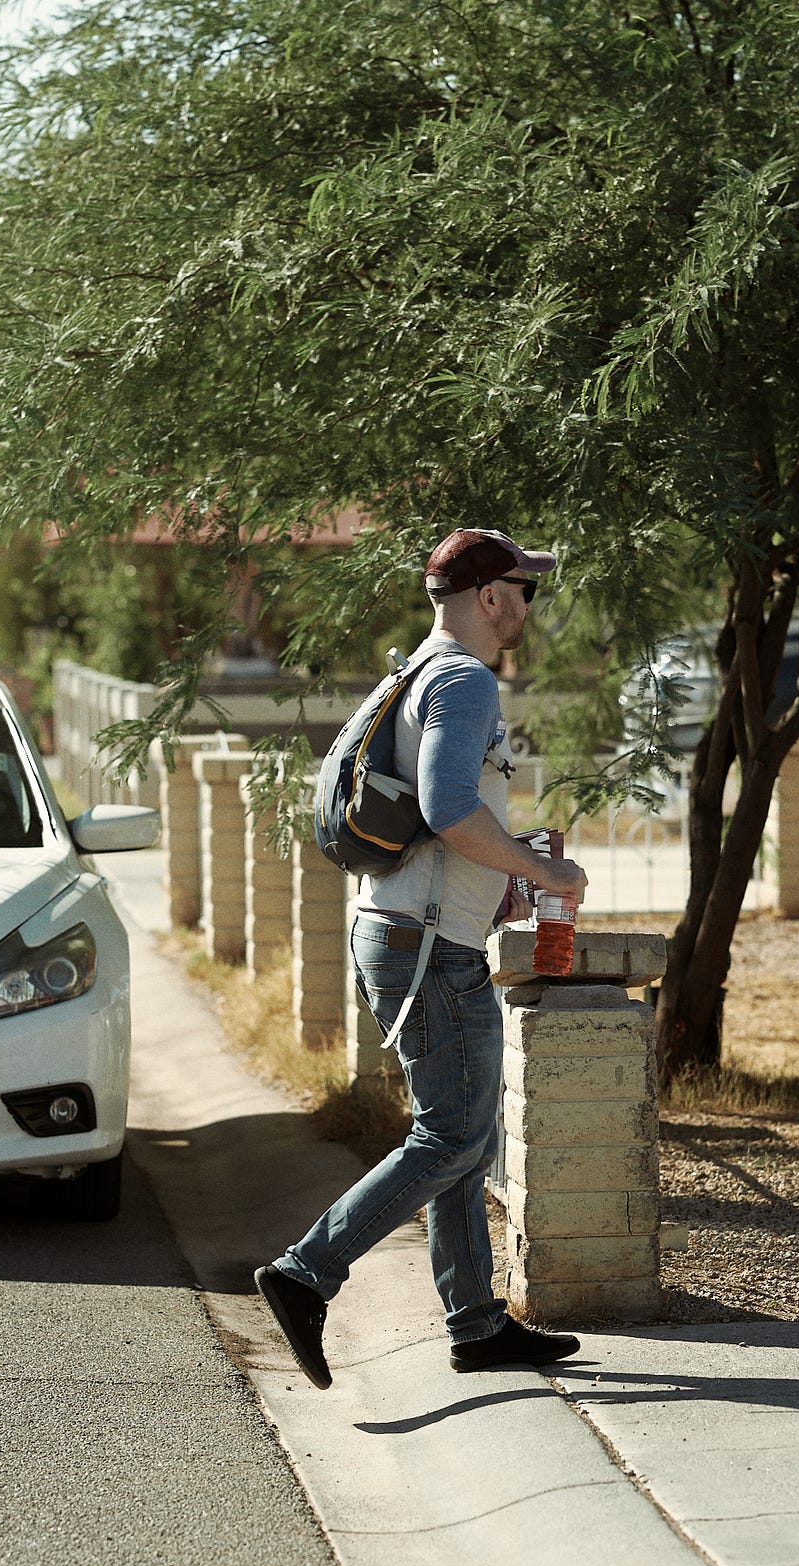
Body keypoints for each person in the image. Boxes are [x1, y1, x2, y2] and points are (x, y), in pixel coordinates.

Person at [256, 529, 591, 1388]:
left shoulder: (415, 672)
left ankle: (476, 1324)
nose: (529, 604)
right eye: (525, 589)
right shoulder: (465, 680)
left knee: (460, 1135)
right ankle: (305, 1273)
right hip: (427, 944)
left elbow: (440, 822)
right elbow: (446, 809)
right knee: (454, 1135)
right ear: (489, 598)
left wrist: (504, 874)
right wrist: (542, 868)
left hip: (409, 927)